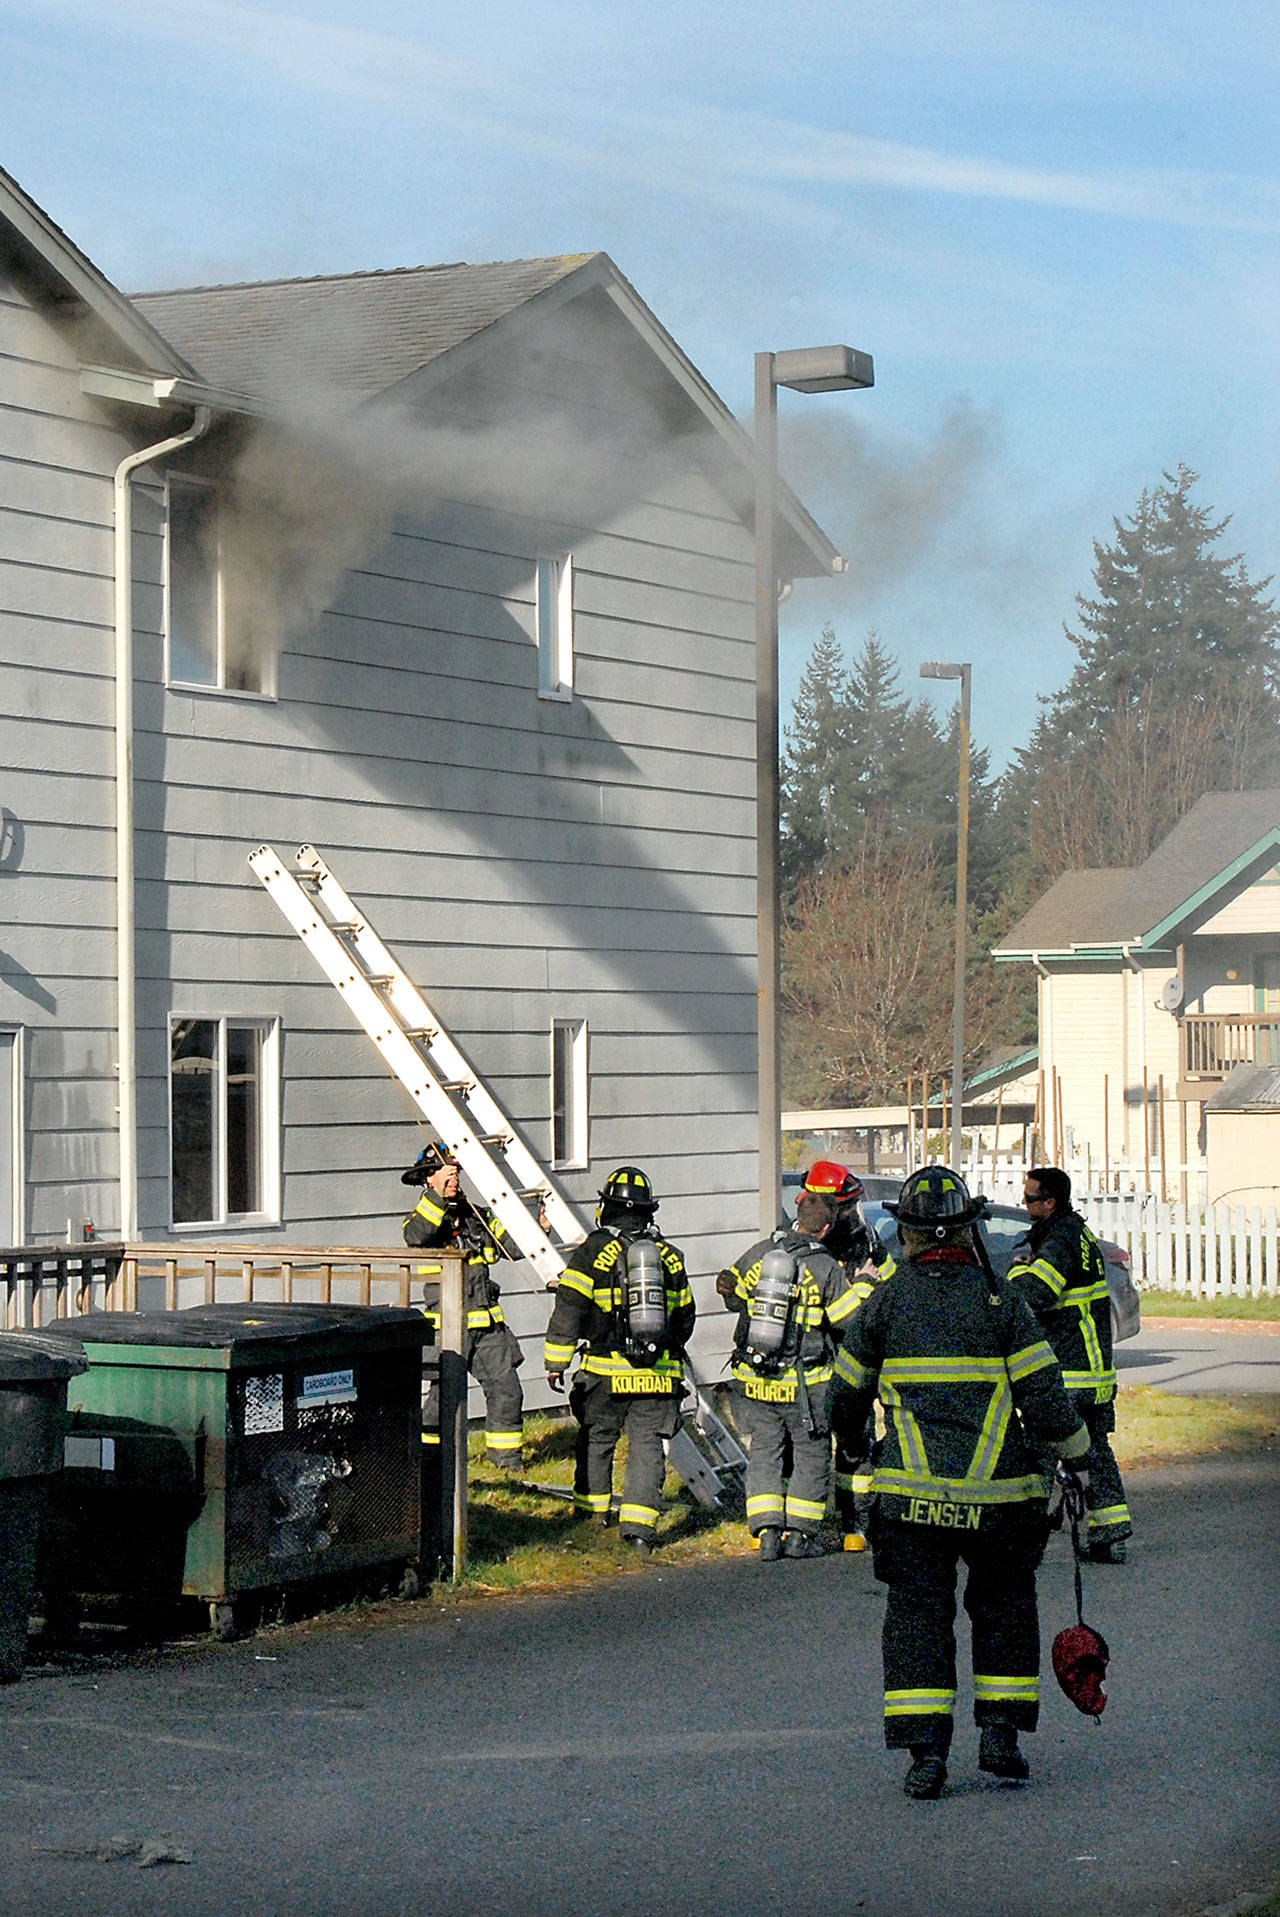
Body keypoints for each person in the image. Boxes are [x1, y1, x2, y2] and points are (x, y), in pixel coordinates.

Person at [829, 1164, 1093, 1798]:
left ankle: (926, 1757)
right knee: (1004, 1610)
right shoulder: (1001, 1300)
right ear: (972, 1228)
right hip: (1002, 1503)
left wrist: (856, 1444)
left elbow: (845, 1392)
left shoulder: (885, 1302)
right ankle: (1000, 1737)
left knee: (918, 1617)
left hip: (912, 1503)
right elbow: (1048, 1399)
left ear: (908, 1234)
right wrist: (1078, 1457)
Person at [716, 1165, 869, 1561]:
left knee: (765, 1450)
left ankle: (766, 1534)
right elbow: (849, 1322)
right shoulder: (825, 1267)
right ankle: (801, 1535)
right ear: (824, 1230)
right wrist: (864, 1285)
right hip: (806, 1386)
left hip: (757, 1381)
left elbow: (730, 1291)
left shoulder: (764, 1252)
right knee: (812, 1453)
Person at [543, 1166, 695, 1555]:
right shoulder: (669, 1256)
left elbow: (570, 1307)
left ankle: (593, 1518)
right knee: (647, 1449)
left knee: (597, 1439)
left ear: (605, 1208)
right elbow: (685, 1316)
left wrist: (556, 1361)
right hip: (658, 1375)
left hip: (605, 1374)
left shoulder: (591, 1252)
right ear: (648, 1212)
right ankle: (640, 1532)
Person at [1008, 1165, 1132, 1564]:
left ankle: (1024, 1542)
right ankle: (1110, 1533)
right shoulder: (1076, 1235)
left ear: (1050, 1202)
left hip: (1066, 1374)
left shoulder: (1059, 1238)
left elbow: (1036, 1294)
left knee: (1039, 1453)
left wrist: (1016, 1269)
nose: (1024, 1205)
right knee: (1093, 1450)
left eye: (1029, 1199)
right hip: (1093, 1373)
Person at [401, 1142, 525, 1470]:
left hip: (487, 1328)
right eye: (445, 1169)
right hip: (448, 1329)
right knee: (441, 1400)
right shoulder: (421, 1217)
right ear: (429, 1178)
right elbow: (417, 1235)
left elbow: (512, 1246)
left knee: (507, 1390)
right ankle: (427, 1462)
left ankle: (506, 1464)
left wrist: (536, 1225)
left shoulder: (477, 1216)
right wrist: (440, 1196)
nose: (453, 1174)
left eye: (456, 1169)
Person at [801, 1161, 896, 1553]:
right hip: (822, 1363)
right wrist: (861, 1286)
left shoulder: (865, 1241)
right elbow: (832, 1314)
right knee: (815, 1442)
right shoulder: (807, 1247)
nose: (851, 1215)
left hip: (859, 1360)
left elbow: (890, 1290)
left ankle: (856, 1522)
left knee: (856, 1443)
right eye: (844, 1207)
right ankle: (813, 1521)